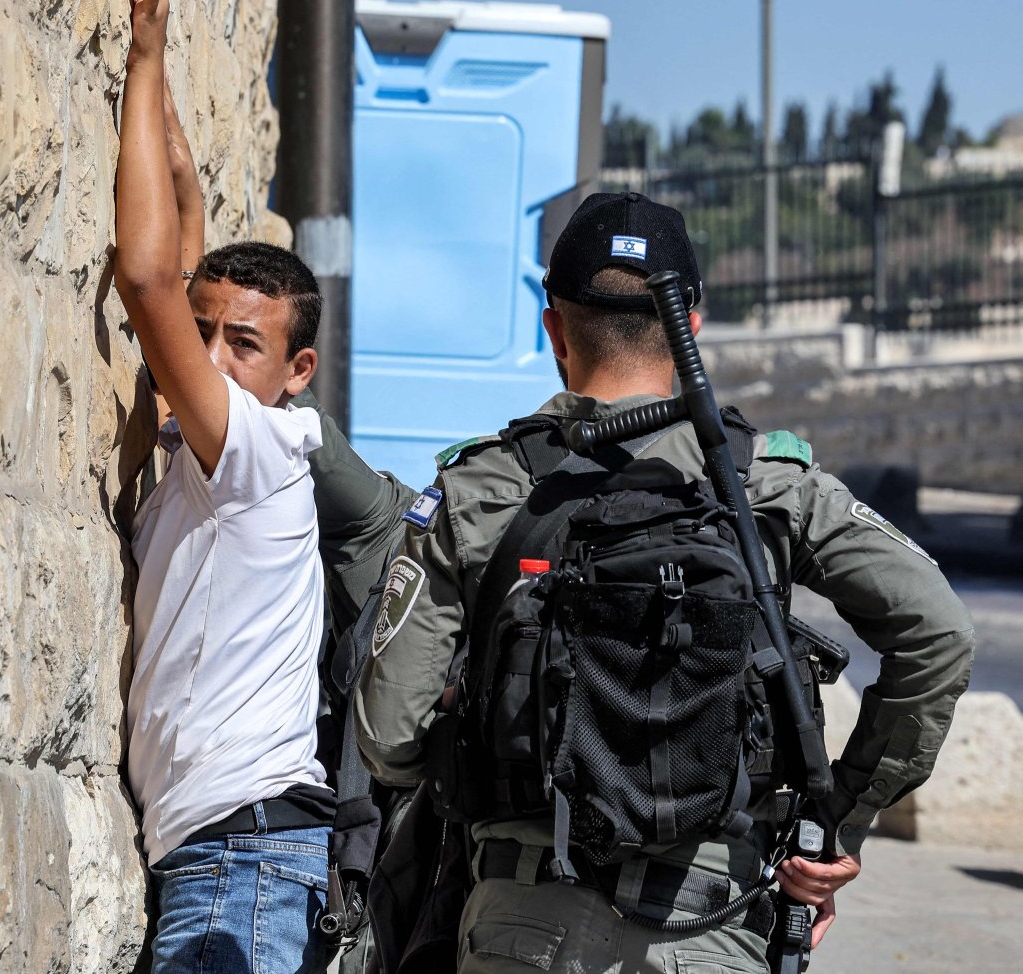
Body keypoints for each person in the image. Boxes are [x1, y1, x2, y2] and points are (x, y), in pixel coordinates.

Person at [353, 191, 976, 973]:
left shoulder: (481, 486)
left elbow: (388, 740)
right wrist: (838, 827)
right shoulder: (771, 483)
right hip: (714, 923)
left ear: (554, 327)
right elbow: (940, 631)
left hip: (520, 923)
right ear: (693, 324)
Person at [116, 0, 336, 971]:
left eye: (241, 346)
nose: (206, 360)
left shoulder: (256, 453)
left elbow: (149, 281)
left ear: (297, 375)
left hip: (236, 863)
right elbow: (186, 241)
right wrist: (178, 165)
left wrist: (147, 53)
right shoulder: (217, 451)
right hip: (232, 856)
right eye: (200, 338)